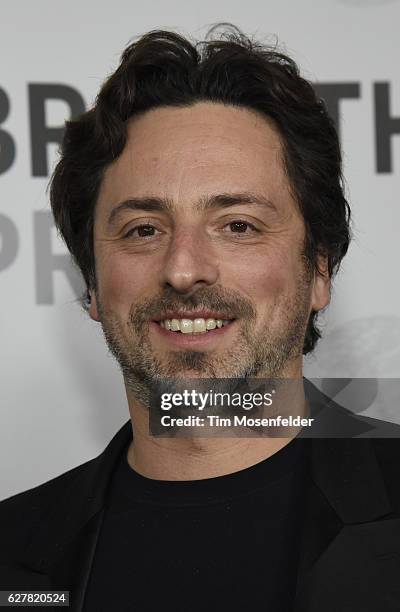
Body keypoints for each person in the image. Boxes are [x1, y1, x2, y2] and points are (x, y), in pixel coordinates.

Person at [1, 24, 399, 612]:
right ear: (91, 282)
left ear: (319, 271)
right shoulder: (12, 549)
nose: (183, 269)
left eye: (238, 225)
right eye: (143, 230)